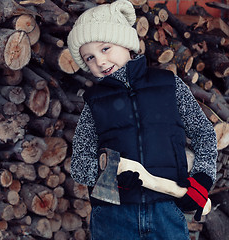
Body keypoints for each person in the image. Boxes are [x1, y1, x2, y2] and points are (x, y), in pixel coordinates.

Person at [67, 1, 218, 239]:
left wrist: (202, 178)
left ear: (126, 43)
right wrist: (110, 171)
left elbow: (204, 133)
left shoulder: (168, 85)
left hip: (166, 210)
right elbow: (80, 165)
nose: (99, 62)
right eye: (89, 58)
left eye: (105, 48)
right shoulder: (95, 102)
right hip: (113, 217)